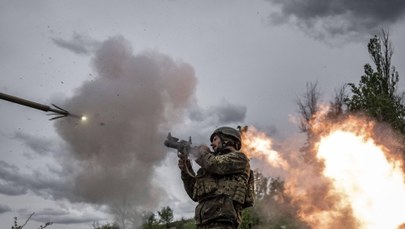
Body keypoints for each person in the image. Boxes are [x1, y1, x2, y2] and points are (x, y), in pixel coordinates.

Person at [178, 126, 253, 229]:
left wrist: (201, 152)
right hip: (202, 223)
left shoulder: (239, 159)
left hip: (223, 221)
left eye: (215, 139)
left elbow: (215, 164)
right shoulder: (207, 168)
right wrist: (185, 167)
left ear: (227, 140)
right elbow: (194, 194)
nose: (212, 144)